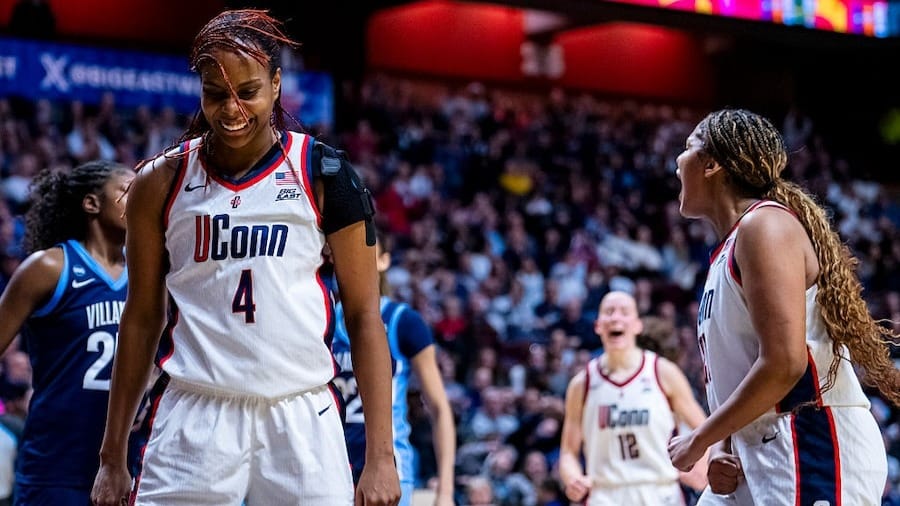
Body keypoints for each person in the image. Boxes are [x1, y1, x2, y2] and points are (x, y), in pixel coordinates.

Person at [90, 9, 400, 506]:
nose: (231, 109)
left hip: (302, 412)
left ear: (277, 84)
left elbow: (365, 317)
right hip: (193, 413)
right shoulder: (159, 183)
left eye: (248, 91)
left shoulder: (326, 175)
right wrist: (111, 457)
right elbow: (142, 317)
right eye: (216, 93)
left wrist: (382, 457)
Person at [667, 108, 900, 505]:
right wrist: (724, 446)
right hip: (761, 444)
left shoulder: (765, 227)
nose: (677, 162)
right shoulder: (729, 247)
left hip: (810, 439)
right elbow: (739, 367)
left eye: (688, 148)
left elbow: (784, 363)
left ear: (712, 164)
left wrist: (700, 438)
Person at [0, 160, 133, 505]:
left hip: (125, 463)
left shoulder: (144, 278)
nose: (138, 200)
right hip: (55, 463)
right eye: (127, 192)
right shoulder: (50, 267)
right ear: (92, 203)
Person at [331, 233, 456, 506]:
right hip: (329, 463)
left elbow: (439, 407)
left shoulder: (404, 321)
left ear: (384, 261)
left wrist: (445, 492)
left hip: (387, 465)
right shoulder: (321, 316)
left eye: (367, 251)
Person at [559, 290, 709, 505]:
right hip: (605, 495)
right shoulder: (582, 384)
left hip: (659, 492)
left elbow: (704, 429)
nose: (616, 318)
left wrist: (702, 466)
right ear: (598, 325)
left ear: (637, 325)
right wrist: (572, 478)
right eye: (609, 312)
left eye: (624, 312)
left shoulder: (662, 372)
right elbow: (568, 453)